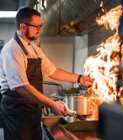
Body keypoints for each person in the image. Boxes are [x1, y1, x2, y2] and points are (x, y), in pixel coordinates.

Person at [0, 7, 93, 140]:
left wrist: (79, 78)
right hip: (17, 111)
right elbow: (21, 87)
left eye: (41, 26)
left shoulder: (35, 50)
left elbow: (53, 71)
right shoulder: (12, 50)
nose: (40, 30)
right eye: (37, 26)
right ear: (23, 26)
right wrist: (52, 104)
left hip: (33, 109)